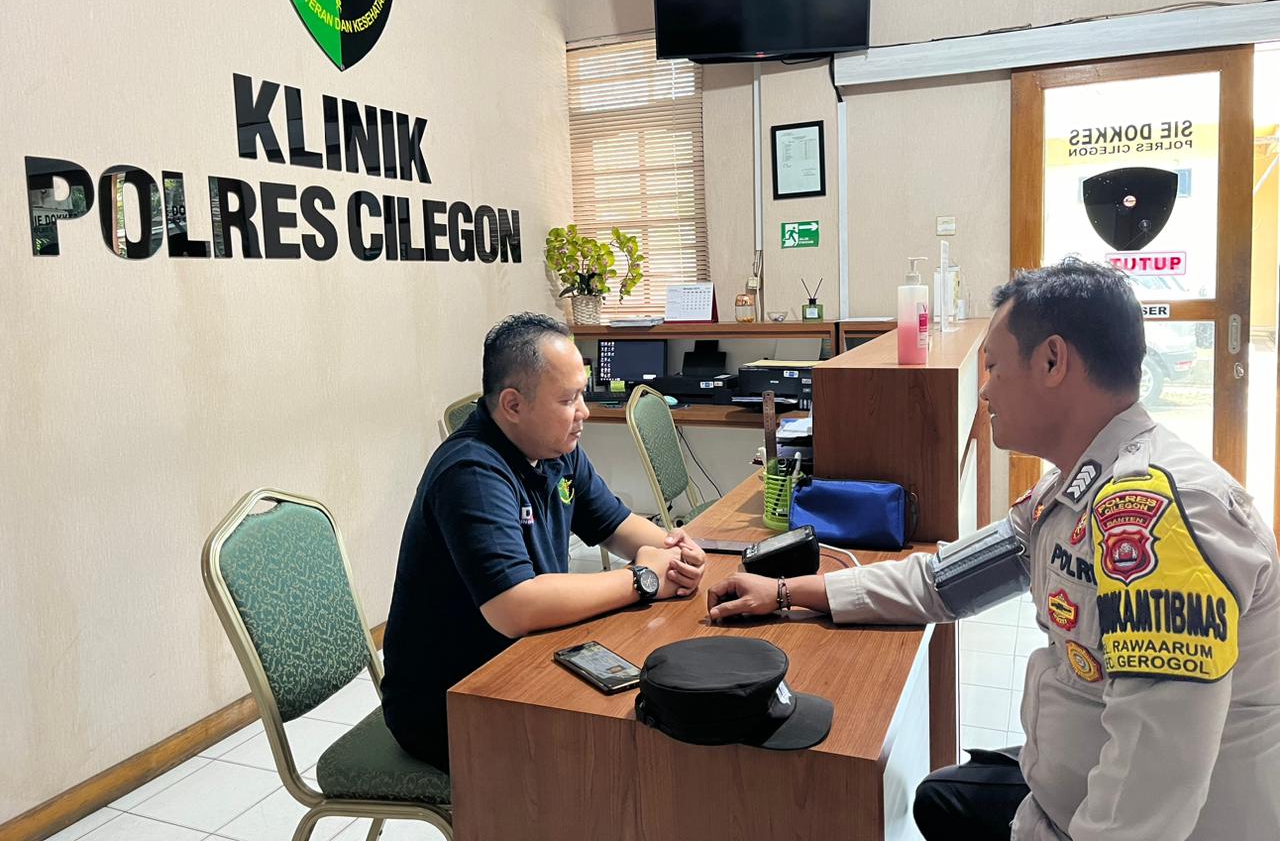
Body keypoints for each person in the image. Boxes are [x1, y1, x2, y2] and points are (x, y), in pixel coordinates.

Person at [707, 259, 1280, 841]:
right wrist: (785, 591)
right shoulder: (1070, 491)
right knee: (939, 797)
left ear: (1053, 361)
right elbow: (941, 582)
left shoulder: (1158, 520)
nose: (984, 389)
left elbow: (1148, 797)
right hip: (1063, 786)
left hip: (1137, 821)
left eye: (995, 367)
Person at [381, 312, 707, 772]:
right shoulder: (471, 471)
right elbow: (515, 606)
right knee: (622, 759)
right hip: (452, 705)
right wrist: (643, 579)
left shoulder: (555, 449)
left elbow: (617, 525)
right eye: (568, 399)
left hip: (526, 661)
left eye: (582, 394)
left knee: (658, 723)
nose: (584, 412)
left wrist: (676, 551)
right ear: (513, 405)